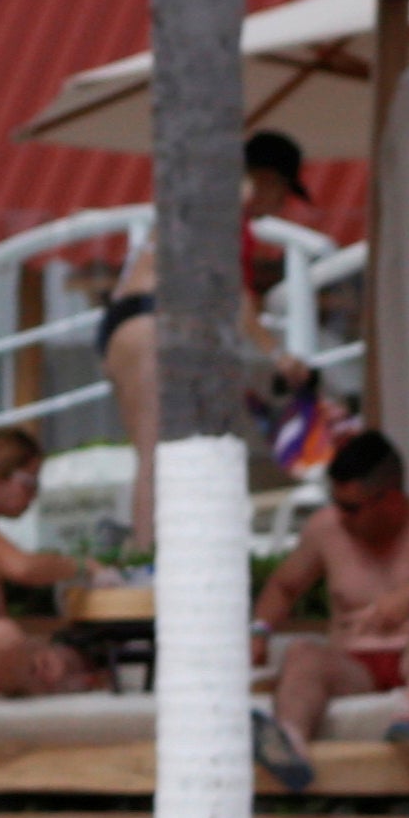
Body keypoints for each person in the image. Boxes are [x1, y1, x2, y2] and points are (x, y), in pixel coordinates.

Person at [104, 128, 320, 547]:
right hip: (151, 322)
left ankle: (150, 552)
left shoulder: (207, 203)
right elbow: (232, 293)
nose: (277, 209)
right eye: (281, 194)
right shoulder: (224, 204)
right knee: (157, 454)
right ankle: (149, 558)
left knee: (157, 454)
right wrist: (276, 353)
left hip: (136, 324)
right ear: (267, 180)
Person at [251, 430, 409, 788]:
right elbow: (284, 586)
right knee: (301, 652)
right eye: (335, 502)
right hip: (354, 664)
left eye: (351, 507)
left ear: (391, 499)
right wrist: (258, 631)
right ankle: (290, 741)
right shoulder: (327, 527)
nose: (341, 515)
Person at [0, 425, 109, 701]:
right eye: (30, 483)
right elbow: (23, 568)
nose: (33, 497)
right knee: (2, 636)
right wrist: (83, 566)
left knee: (60, 650)